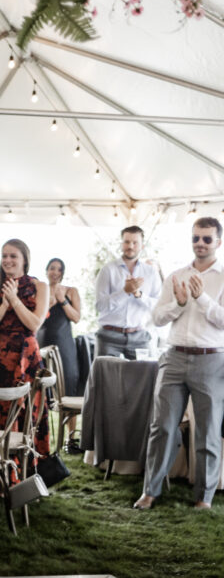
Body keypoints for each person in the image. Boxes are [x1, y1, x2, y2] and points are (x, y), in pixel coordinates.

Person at [134, 217, 224, 511]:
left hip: (211, 359)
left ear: (218, 243)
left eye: (207, 239)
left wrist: (202, 299)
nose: (200, 244)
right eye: (196, 238)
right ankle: (150, 491)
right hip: (173, 357)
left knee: (207, 431)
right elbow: (156, 318)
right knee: (162, 428)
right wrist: (180, 303)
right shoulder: (175, 275)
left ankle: (204, 497)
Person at [0, 239, 51, 459]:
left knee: (26, 410)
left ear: (24, 260)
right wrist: (4, 305)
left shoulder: (40, 287)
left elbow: (34, 324)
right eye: (4, 256)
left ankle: (27, 467)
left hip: (26, 357)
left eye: (13, 256)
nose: (7, 260)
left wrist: (15, 300)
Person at [95, 225, 162, 358]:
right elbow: (100, 306)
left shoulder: (151, 273)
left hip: (140, 337)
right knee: (107, 378)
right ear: (121, 244)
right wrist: (125, 292)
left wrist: (139, 295)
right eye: (126, 242)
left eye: (135, 242)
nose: (130, 246)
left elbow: (158, 306)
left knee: (142, 378)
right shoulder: (107, 270)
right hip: (109, 338)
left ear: (142, 246)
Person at [37, 258, 82, 397]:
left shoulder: (71, 291)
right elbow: (35, 319)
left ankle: (69, 418)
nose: (55, 272)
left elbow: (76, 317)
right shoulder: (39, 291)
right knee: (42, 387)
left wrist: (62, 300)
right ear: (46, 271)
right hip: (42, 342)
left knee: (68, 384)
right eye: (52, 268)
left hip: (64, 345)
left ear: (63, 273)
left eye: (59, 269)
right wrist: (48, 304)